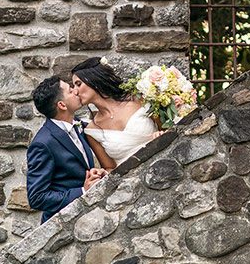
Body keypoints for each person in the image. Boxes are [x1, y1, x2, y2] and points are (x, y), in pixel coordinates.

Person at [26, 76, 106, 222]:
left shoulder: (79, 125)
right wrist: (83, 191)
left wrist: (94, 175)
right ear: (62, 105)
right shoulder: (43, 143)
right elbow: (36, 198)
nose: (76, 91)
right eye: (70, 91)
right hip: (63, 223)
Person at [70, 57, 161, 170]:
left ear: (94, 80)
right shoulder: (92, 131)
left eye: (78, 84)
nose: (75, 91)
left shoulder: (138, 99)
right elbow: (109, 169)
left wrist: (161, 136)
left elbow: (166, 128)